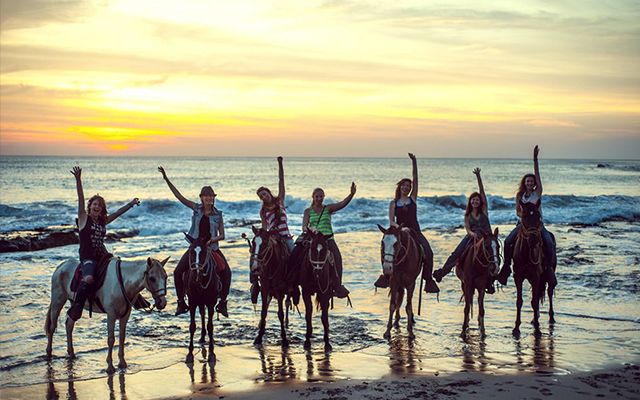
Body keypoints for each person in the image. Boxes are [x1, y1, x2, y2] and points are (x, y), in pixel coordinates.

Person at [67, 166, 140, 322]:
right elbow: (80, 199)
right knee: (89, 279)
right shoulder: (83, 218)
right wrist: (78, 180)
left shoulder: (103, 221)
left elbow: (118, 213)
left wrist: (131, 203)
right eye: (94, 204)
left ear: (101, 209)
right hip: (88, 258)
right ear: (90, 206)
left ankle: (137, 299)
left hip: (103, 256)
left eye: (99, 205)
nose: (97, 207)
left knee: (120, 273)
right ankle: (77, 306)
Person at [158, 166, 231, 317]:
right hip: (195, 247)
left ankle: (222, 303)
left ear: (213, 198)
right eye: (206, 196)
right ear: (201, 198)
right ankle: (180, 302)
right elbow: (179, 197)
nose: (208, 199)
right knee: (178, 271)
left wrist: (213, 239)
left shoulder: (218, 215)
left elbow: (222, 235)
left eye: (211, 196)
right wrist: (166, 179)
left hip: (211, 248)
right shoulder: (195, 208)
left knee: (227, 272)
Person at [374, 153, 439, 293]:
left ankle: (428, 280)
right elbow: (391, 220)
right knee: (386, 249)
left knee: (429, 252)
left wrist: (414, 162)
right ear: (400, 187)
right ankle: (386, 276)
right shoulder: (393, 203)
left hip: (415, 231)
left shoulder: (412, 199)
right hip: (398, 231)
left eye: (408, 186)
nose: (406, 187)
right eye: (404, 185)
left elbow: (416, 179)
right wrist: (401, 229)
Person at [497, 145, 557, 286]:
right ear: (524, 183)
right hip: (522, 225)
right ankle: (506, 268)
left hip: (537, 226)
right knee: (507, 241)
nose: (529, 183)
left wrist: (535, 159)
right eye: (527, 181)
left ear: (534, 183)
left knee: (548, 242)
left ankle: (548, 269)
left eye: (531, 181)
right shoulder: (520, 195)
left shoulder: (537, 193)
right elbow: (517, 211)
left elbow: (537, 174)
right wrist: (524, 215)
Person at [432, 168, 496, 293]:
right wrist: (473, 234)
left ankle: (493, 279)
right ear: (470, 202)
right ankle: (442, 272)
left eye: (477, 200)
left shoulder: (484, 211)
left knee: (494, 253)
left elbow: (482, 192)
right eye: (473, 200)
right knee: (456, 254)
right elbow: (467, 229)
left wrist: (478, 177)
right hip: (472, 237)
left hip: (487, 237)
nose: (475, 201)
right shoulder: (467, 215)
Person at [251, 156, 295, 303]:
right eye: (261, 196)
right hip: (272, 238)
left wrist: (280, 164)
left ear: (269, 193)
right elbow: (265, 228)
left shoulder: (280, 201)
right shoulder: (263, 211)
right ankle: (255, 283)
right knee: (256, 253)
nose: (263, 197)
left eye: (264, 194)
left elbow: (281, 182)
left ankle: (293, 286)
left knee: (295, 257)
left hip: (286, 237)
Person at [300, 183, 356, 298]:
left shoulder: (328, 208)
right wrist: (311, 229)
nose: (319, 199)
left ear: (323, 197)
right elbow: (304, 226)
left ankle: (337, 286)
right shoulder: (307, 211)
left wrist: (351, 194)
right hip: (313, 239)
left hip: (327, 239)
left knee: (337, 258)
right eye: (317, 196)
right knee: (296, 254)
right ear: (313, 197)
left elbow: (342, 204)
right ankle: (292, 281)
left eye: (321, 196)